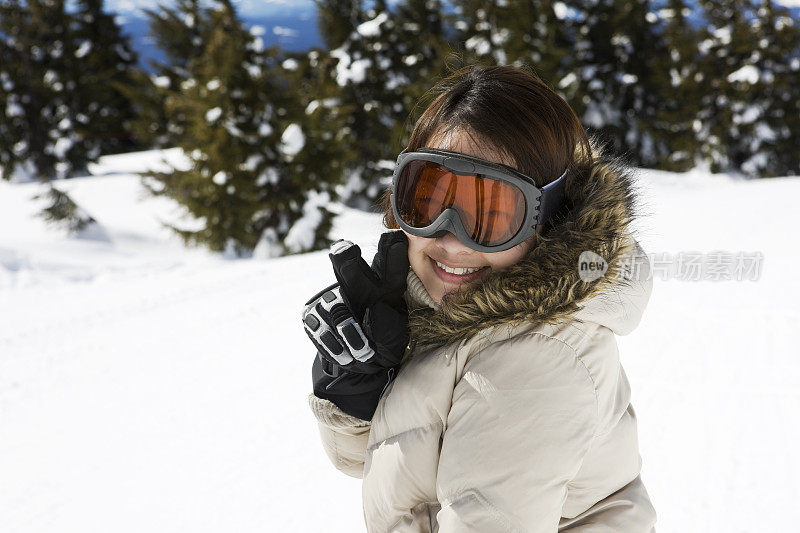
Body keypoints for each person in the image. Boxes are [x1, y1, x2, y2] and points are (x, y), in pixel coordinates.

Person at [301, 64, 658, 532]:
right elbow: (389, 472)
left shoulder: (533, 360)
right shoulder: (456, 319)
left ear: (551, 221)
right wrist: (358, 398)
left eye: (491, 214)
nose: (452, 242)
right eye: (428, 200)